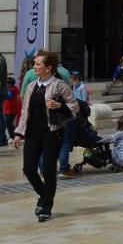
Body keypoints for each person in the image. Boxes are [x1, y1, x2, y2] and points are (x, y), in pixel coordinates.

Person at [12, 50, 79, 221]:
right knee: (28, 169)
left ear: (48, 68)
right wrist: (19, 133)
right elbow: (25, 111)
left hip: (52, 132)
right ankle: (45, 196)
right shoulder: (31, 86)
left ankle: (46, 207)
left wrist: (58, 105)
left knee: (49, 170)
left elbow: (74, 107)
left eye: (38, 64)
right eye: (35, 64)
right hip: (33, 132)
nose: (34, 67)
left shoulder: (59, 86)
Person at [57, 70, 91, 178]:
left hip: (75, 113)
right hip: (72, 118)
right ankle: (65, 168)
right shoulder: (69, 89)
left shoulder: (80, 87)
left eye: (72, 79)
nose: (70, 81)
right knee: (65, 144)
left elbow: (83, 100)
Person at [4, 76, 20, 144]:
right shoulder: (13, 89)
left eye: (6, 84)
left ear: (10, 84)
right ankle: (14, 135)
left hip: (11, 110)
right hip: (8, 110)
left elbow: (8, 96)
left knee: (8, 124)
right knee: (9, 124)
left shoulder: (12, 90)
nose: (5, 85)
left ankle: (13, 136)